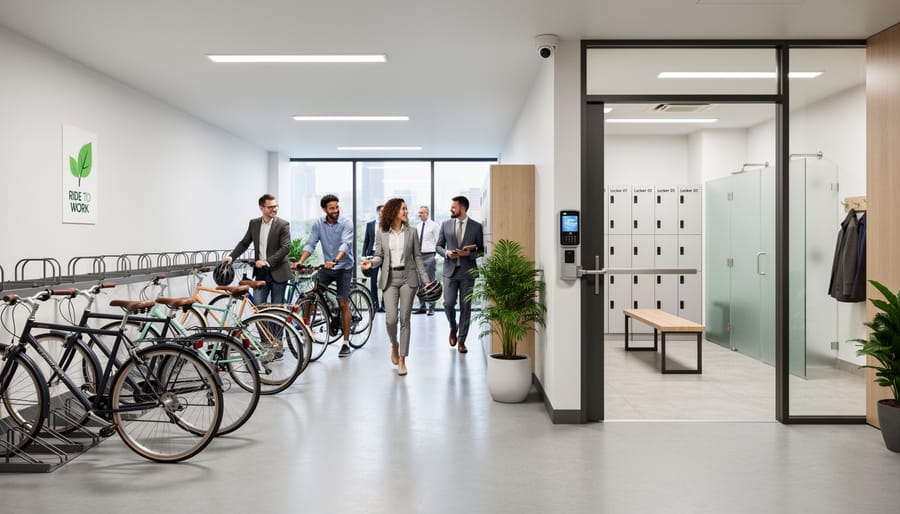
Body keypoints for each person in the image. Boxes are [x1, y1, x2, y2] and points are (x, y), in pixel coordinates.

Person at [361, 198, 430, 376]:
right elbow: (379, 256)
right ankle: (394, 344)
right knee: (391, 319)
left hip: (409, 278)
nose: (406, 212)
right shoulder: (381, 233)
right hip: (389, 278)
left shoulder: (412, 232)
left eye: (406, 209)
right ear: (393, 212)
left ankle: (402, 359)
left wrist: (426, 280)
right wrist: (371, 263)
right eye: (403, 209)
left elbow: (418, 258)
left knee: (405, 320)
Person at [294, 194, 355, 358]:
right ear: (324, 209)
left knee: (343, 302)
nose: (335, 210)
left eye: (337, 207)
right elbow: (311, 243)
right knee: (310, 295)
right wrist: (300, 261)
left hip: (343, 266)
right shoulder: (318, 224)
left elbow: (346, 244)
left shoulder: (346, 222)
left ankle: (346, 343)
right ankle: (307, 329)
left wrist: (335, 260)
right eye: (332, 208)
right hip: (327, 267)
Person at [435, 195, 483, 354]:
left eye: (453, 207)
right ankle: (453, 326)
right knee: (448, 303)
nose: (451, 209)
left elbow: (481, 250)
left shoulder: (476, 227)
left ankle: (462, 340)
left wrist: (469, 254)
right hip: (449, 271)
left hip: (467, 272)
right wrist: (447, 253)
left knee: (465, 306)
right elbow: (438, 246)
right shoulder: (446, 224)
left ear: (462, 208)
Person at [223, 193, 291, 305]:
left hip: (279, 272)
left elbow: (285, 248)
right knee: (258, 308)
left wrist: (266, 262)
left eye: (276, 206)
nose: (274, 209)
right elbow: (245, 243)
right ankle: (261, 324)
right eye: (270, 207)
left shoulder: (283, 225)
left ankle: (275, 323)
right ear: (261, 208)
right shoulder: (254, 223)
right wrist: (231, 257)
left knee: (276, 309)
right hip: (261, 273)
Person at [413, 205, 440, 315]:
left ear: (427, 213)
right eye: (419, 213)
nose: (419, 215)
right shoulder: (418, 226)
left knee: (429, 282)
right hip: (418, 257)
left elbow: (439, 242)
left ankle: (431, 307)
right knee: (419, 282)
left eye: (421, 213)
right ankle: (422, 306)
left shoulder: (434, 226)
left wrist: (436, 257)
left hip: (430, 256)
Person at [362, 205, 384, 312]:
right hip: (372, 255)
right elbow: (366, 240)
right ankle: (375, 305)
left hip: (385, 255)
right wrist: (363, 255)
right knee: (373, 281)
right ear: (378, 212)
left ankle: (384, 305)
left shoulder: (389, 224)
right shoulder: (370, 225)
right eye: (382, 211)